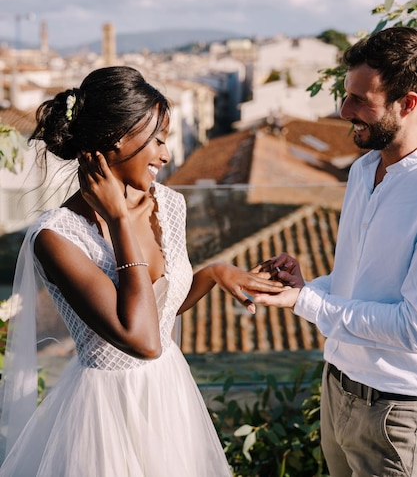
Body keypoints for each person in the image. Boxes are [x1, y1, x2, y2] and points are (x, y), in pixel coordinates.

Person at [0, 66, 282, 476]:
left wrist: (214, 273)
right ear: (113, 141)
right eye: (157, 140)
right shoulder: (56, 238)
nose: (166, 155)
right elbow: (143, 339)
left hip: (168, 394)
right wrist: (118, 220)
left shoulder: (168, 205)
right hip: (104, 414)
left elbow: (159, 311)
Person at [252, 26, 417, 476]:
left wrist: (305, 301)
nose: (344, 110)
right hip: (337, 389)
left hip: (394, 413)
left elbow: (412, 327)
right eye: (346, 95)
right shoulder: (363, 171)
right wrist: (306, 286)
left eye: (361, 99)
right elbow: (359, 287)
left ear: (408, 103)